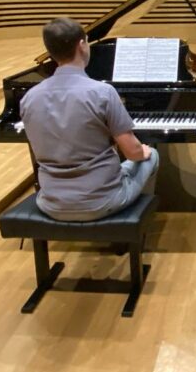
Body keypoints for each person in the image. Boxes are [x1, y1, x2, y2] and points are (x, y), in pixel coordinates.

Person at [20, 17, 159, 221]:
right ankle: (129, 227)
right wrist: (143, 151)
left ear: (50, 52)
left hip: (50, 203)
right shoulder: (102, 92)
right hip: (103, 201)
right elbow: (132, 152)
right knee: (151, 155)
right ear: (82, 45)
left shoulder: (29, 97)